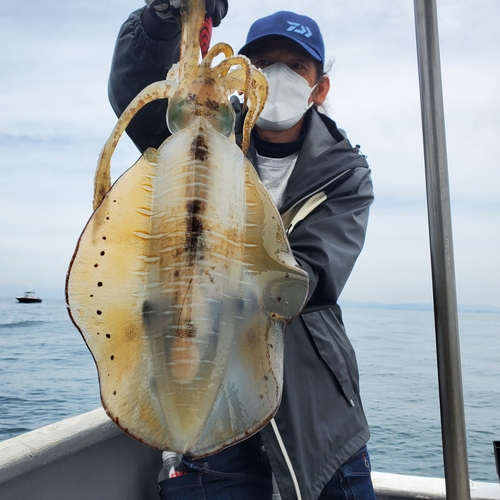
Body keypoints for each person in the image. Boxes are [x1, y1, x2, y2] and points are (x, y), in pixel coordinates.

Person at [108, 1, 376, 499]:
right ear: (245, 75)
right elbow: (135, 92)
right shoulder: (196, 133)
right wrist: (162, 19)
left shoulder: (346, 173)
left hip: (319, 420)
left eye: (296, 66)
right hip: (204, 407)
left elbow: (313, 273)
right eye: (266, 63)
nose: (279, 75)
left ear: (320, 88)